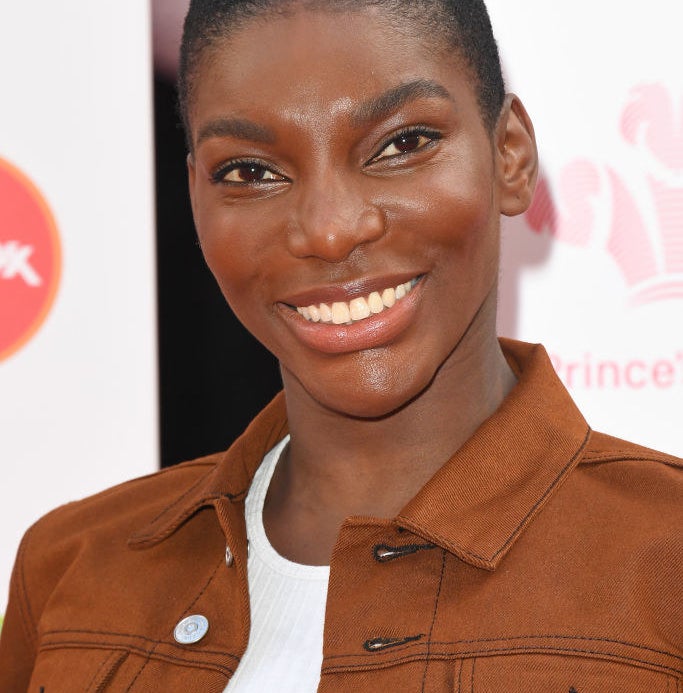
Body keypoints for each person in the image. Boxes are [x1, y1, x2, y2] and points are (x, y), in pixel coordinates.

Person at [1, 0, 681, 690]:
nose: (328, 230)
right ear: (196, 199)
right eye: (248, 171)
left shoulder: (663, 562)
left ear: (509, 154)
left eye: (401, 143)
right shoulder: (71, 567)